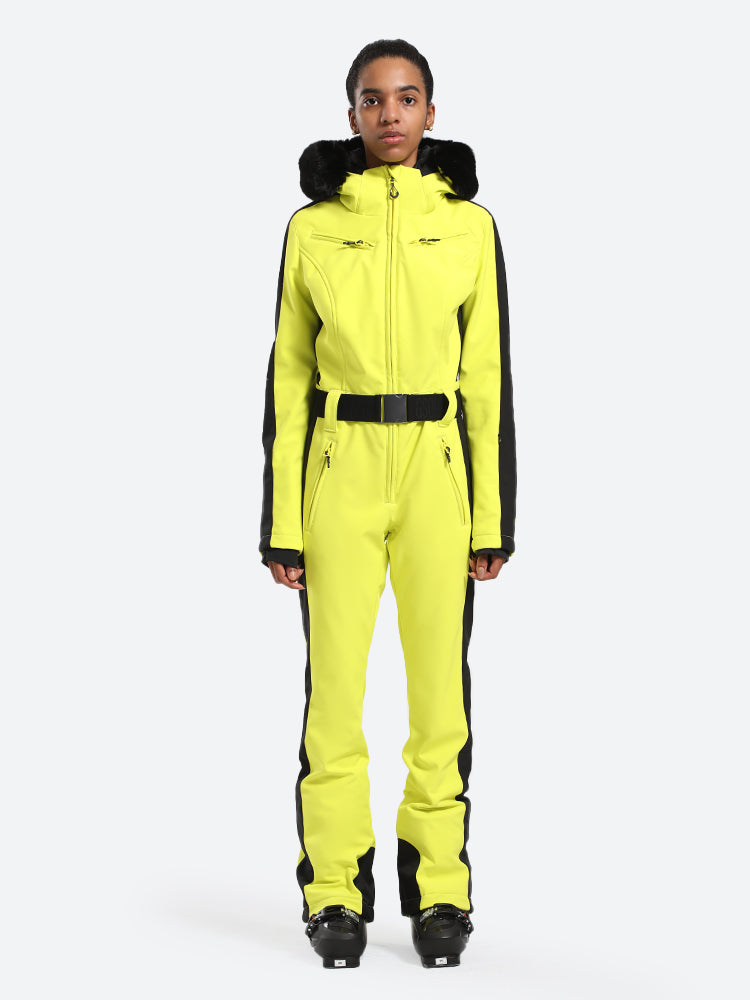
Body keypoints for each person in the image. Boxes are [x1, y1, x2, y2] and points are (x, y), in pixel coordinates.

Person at [259, 38, 517, 970]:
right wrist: (282, 526)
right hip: (341, 468)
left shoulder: (472, 227)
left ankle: (441, 890)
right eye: (374, 99)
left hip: (437, 471)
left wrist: (492, 519)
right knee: (334, 697)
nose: (392, 113)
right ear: (353, 115)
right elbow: (289, 380)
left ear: (431, 113)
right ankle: (334, 892)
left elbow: (487, 377)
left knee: (440, 698)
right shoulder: (313, 228)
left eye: (408, 98)